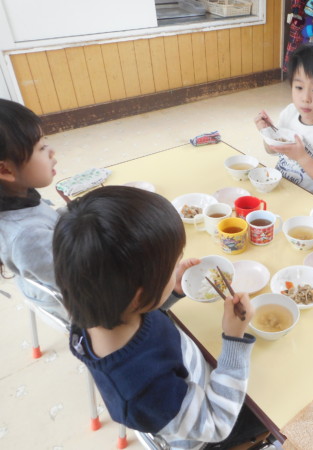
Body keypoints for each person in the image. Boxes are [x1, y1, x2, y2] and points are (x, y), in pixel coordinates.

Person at [52, 186, 265, 448]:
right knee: (270, 416)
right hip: (205, 431)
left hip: (197, 374)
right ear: (139, 295)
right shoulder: (142, 392)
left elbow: (148, 314)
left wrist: (171, 291)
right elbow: (216, 422)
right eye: (172, 266)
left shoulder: (97, 305)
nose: (176, 269)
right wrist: (234, 340)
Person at [254, 41, 313, 202]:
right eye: (299, 87)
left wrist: (302, 157)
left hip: (312, 202)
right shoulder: (290, 112)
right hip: (282, 190)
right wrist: (268, 132)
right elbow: (273, 151)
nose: (305, 98)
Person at [0, 99, 67, 323]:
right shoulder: (26, 237)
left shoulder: (17, 196)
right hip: (81, 308)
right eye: (41, 147)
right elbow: (83, 279)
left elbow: (50, 223)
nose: (51, 150)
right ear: (5, 170)